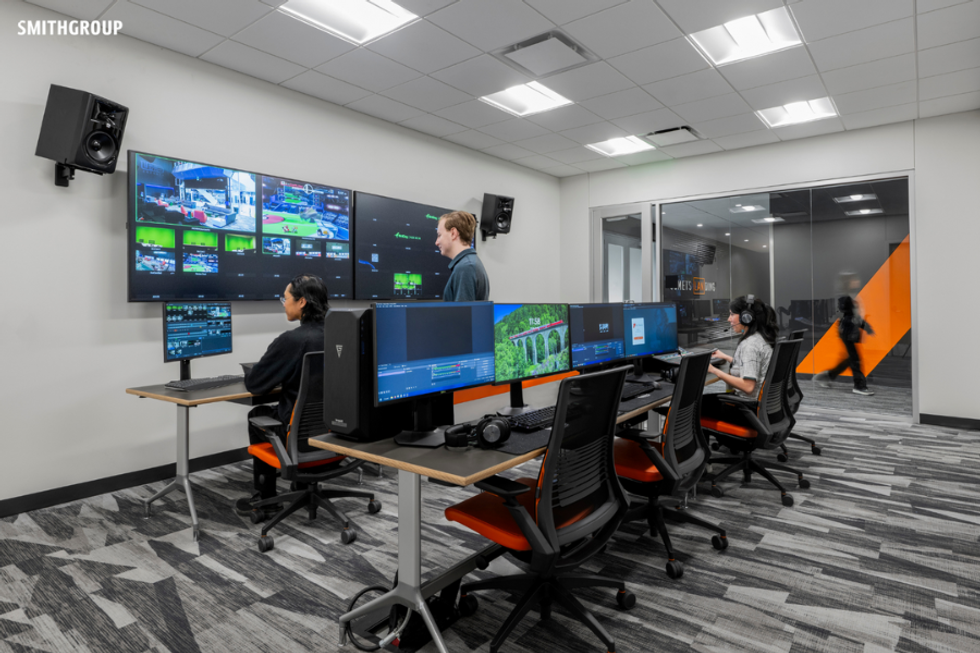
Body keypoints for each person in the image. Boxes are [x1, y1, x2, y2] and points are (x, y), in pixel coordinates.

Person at [235, 274, 330, 515]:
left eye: (285, 298)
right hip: (337, 437)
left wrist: (252, 371)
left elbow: (256, 385)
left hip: (298, 438)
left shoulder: (292, 340)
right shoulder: (343, 334)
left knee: (258, 415)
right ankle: (303, 483)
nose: (283, 304)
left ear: (302, 303)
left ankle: (267, 499)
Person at [701, 295, 779, 424]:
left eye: (732, 315)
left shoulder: (750, 345)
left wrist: (714, 370)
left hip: (747, 409)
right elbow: (753, 365)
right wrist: (725, 357)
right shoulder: (759, 338)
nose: (729, 319)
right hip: (763, 406)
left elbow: (748, 386)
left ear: (746, 317)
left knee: (696, 406)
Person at [815, 273, 875, 396]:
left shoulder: (852, 296)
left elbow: (856, 316)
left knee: (851, 359)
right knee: (855, 359)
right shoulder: (845, 297)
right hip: (848, 332)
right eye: (854, 279)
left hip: (851, 332)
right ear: (848, 282)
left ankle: (828, 376)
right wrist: (866, 327)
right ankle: (859, 386)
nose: (857, 280)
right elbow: (848, 316)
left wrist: (866, 328)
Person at [435, 210, 489, 302]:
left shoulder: (466, 267)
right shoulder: (471, 263)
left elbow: (463, 315)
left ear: (453, 233)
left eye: (439, 235)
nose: (436, 242)